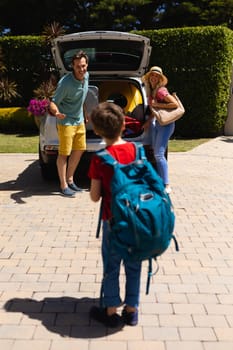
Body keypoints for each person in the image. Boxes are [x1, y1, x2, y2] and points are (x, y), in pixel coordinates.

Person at [88, 102, 142, 328]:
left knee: (112, 266)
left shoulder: (100, 158)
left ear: (98, 131)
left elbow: (94, 196)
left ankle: (110, 311)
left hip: (112, 220)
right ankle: (131, 311)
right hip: (137, 220)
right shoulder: (136, 150)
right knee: (134, 265)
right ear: (123, 125)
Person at [49, 51, 89, 197]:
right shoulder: (65, 83)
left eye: (83, 66)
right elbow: (53, 102)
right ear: (72, 66)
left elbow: (82, 96)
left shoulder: (87, 77)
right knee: (64, 154)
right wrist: (56, 113)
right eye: (78, 66)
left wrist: (84, 112)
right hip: (66, 122)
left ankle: (70, 180)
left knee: (79, 150)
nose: (81, 69)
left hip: (79, 121)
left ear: (87, 65)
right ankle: (63, 185)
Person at [142, 66, 178, 193]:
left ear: (160, 79)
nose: (154, 77)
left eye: (156, 76)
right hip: (158, 123)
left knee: (158, 154)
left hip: (166, 125)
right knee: (156, 153)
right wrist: (148, 121)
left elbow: (175, 104)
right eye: (152, 75)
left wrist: (157, 104)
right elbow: (154, 111)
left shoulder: (161, 91)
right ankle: (159, 182)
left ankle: (167, 185)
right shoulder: (151, 91)